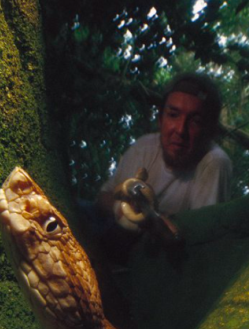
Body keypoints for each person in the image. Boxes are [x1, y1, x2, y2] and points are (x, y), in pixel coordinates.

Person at [97, 72, 232, 225]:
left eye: (195, 121)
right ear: (161, 120)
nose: (181, 130)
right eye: (173, 115)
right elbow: (103, 196)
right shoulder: (144, 148)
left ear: (209, 131)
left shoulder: (214, 162)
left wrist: (151, 221)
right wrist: (120, 210)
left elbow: (201, 232)